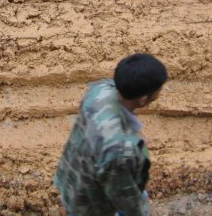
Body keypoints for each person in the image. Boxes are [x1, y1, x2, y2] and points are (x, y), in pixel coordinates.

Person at [54, 53, 168, 216]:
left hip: (72, 176)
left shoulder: (100, 91)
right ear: (143, 99)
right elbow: (128, 202)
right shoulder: (119, 150)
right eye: (158, 90)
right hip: (89, 205)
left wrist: (133, 132)